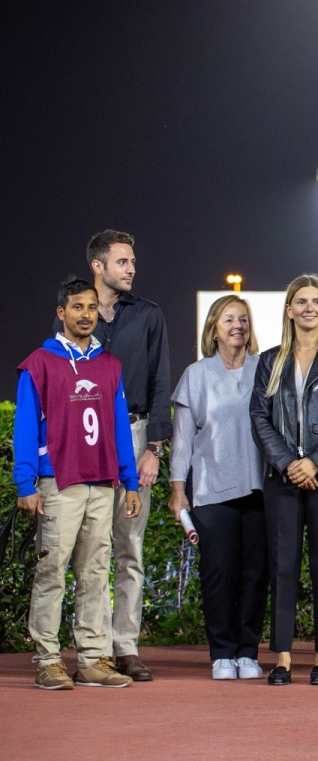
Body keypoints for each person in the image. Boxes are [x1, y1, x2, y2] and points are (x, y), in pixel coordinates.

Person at [14, 277, 141, 689]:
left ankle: (91, 659)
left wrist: (130, 480)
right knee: (51, 572)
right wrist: (25, 484)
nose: (86, 315)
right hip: (59, 483)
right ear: (61, 312)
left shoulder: (109, 365)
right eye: (77, 307)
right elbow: (24, 426)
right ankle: (48, 660)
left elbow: (119, 428)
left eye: (91, 307)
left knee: (95, 573)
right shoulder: (39, 363)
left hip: (102, 483)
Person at [250, 274, 318, 686]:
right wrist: (288, 463)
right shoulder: (270, 360)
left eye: (316, 301)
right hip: (281, 478)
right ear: (289, 310)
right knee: (282, 568)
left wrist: (314, 461)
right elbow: (259, 416)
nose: (309, 307)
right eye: (301, 301)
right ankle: (281, 657)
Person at [74, 230, 171, 682]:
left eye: (132, 261)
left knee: (129, 548)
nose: (131, 268)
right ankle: (92, 650)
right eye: (122, 261)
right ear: (98, 266)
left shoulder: (149, 315)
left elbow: (160, 383)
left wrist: (153, 449)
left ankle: (126, 647)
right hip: (85, 438)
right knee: (91, 550)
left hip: (133, 436)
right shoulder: (74, 313)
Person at [169, 295, 268, 681]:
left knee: (255, 575)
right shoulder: (196, 375)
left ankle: (248, 652)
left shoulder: (264, 369)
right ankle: (222, 652)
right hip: (212, 490)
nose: (237, 326)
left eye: (243, 319)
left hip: (260, 488)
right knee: (218, 574)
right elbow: (182, 442)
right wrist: (178, 490)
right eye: (228, 319)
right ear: (213, 328)